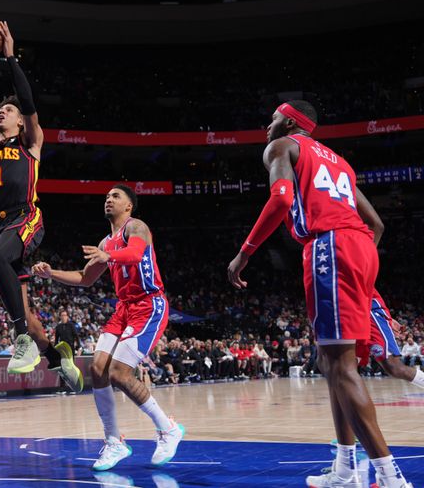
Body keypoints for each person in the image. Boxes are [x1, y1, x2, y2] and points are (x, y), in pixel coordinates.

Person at [227, 100, 412, 488]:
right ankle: (345, 468)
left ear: (291, 122)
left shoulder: (282, 147)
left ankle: (390, 477)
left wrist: (244, 254)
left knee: (341, 367)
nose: (268, 124)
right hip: (359, 248)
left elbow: (279, 200)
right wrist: (360, 265)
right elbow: (375, 224)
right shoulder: (339, 161)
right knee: (332, 364)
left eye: (273, 117)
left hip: (330, 246)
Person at [0, 21, 81, 391]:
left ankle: (21, 342)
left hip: (26, 218)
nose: (3, 113)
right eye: (0, 111)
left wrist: (9, 56)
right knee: (27, 316)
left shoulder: (30, 143)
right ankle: (60, 359)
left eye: (7, 111)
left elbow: (27, 102)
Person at [32, 185, 184, 471]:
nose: (108, 199)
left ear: (128, 206)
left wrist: (109, 257)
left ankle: (167, 429)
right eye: (106, 196)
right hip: (124, 308)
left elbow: (136, 254)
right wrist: (51, 273)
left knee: (119, 372)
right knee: (98, 368)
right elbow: (84, 278)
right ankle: (114, 441)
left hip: (148, 305)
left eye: (115, 196)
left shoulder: (136, 226)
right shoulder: (105, 243)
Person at [357, 291, 424, 386]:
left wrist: (387, 318)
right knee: (340, 369)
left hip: (367, 312)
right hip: (344, 315)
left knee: (393, 367)